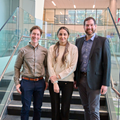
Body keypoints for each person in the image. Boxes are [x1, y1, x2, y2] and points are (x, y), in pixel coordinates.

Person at [74, 17, 111, 120]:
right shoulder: (79, 41)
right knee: (86, 107)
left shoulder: (103, 41)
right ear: (84, 27)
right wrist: (75, 79)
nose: (89, 27)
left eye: (91, 25)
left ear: (95, 26)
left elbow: (107, 64)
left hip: (95, 81)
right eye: (87, 25)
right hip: (81, 79)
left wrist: (105, 83)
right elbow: (76, 62)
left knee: (93, 109)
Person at [14, 25, 48, 120]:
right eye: (33, 33)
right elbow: (17, 67)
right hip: (26, 82)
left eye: (37, 34)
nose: (35, 36)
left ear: (40, 36)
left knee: (38, 108)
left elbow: (47, 67)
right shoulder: (22, 50)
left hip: (40, 82)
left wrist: (47, 80)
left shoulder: (44, 51)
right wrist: (17, 83)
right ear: (30, 34)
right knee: (25, 108)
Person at [48, 26, 78, 120]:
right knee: (55, 108)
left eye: (65, 34)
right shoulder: (52, 48)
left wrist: (58, 76)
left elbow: (72, 67)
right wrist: (55, 82)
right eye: (60, 34)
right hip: (53, 82)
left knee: (65, 109)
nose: (62, 36)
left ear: (68, 35)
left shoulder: (74, 48)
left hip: (68, 81)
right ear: (57, 35)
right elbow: (50, 65)